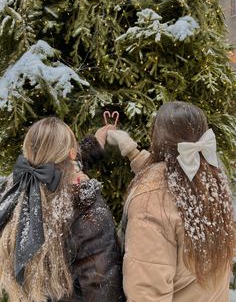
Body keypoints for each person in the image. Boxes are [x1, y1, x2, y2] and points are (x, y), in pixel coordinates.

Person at [107, 101, 235, 302]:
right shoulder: (210, 178)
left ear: (157, 137)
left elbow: (146, 294)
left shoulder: (150, 200)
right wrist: (130, 149)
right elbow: (169, 180)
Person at [0, 117, 124, 302]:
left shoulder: (11, 191)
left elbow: (55, 167)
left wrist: (96, 142)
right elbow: (102, 290)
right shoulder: (87, 210)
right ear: (72, 154)